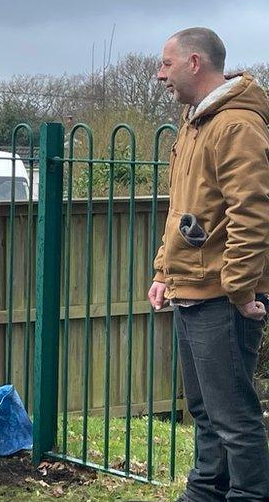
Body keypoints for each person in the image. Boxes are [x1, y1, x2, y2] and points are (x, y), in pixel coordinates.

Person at [149, 27, 269, 501]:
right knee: (203, 408)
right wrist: (164, 272)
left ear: (194, 63)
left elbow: (253, 212)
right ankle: (204, 492)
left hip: (223, 295)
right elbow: (183, 209)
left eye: (166, 64)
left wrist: (241, 290)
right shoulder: (195, 121)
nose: (161, 75)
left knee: (233, 415)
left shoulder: (236, 125)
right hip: (190, 287)